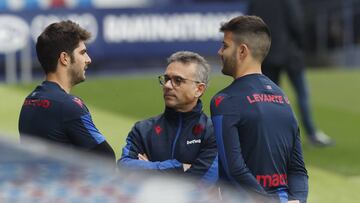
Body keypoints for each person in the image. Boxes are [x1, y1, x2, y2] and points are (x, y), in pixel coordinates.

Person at [210, 16, 308, 202]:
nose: (220, 52)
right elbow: (297, 169)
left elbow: (233, 169)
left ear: (242, 51)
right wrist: (298, 199)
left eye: (225, 46)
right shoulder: (283, 99)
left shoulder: (224, 100)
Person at [18, 20, 115, 161]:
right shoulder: (69, 106)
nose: (88, 59)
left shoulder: (29, 101)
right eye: (82, 53)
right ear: (65, 58)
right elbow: (107, 159)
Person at [118, 51, 218, 184]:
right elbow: (124, 167)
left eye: (178, 80)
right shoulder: (142, 129)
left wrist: (148, 169)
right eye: (166, 79)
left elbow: (202, 183)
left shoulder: (213, 131)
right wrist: (178, 167)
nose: (167, 86)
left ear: (199, 89)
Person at [248, 0, 334, 146]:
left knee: (268, 98)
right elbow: (297, 24)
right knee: (302, 94)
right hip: (290, 54)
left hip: (267, 54)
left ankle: (271, 134)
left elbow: (250, 27)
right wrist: (299, 46)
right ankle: (312, 133)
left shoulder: (256, 2)